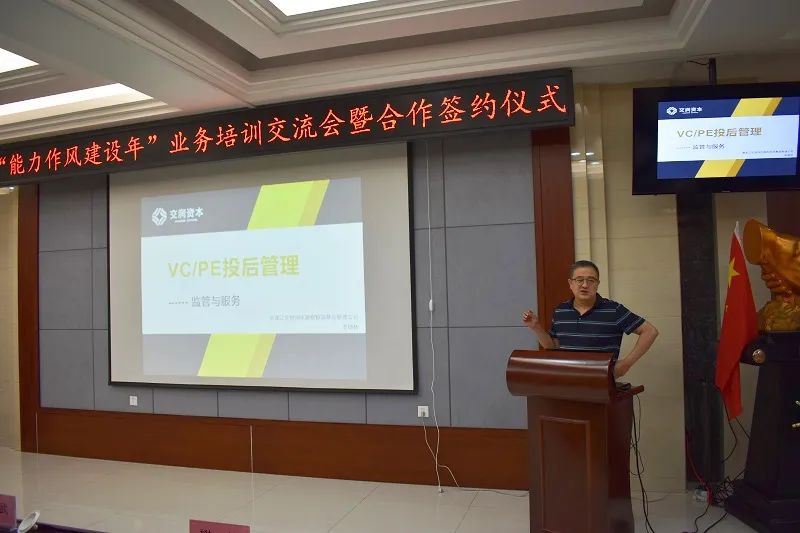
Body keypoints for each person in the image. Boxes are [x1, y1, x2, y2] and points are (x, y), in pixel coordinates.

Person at [521, 260, 658, 378]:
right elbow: (553, 347)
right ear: (570, 283)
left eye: (591, 280)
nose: (585, 285)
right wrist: (536, 327)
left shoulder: (614, 310)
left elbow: (650, 331)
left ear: (597, 284)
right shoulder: (561, 310)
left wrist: (626, 364)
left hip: (600, 382)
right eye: (579, 280)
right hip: (565, 381)